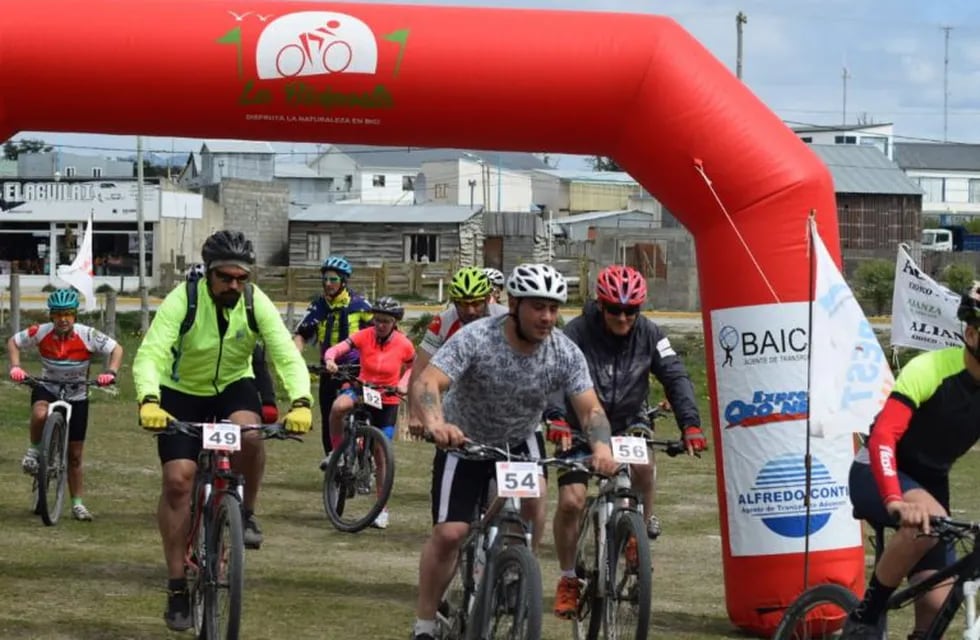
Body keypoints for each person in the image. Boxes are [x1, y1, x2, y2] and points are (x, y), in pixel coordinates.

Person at [407, 263, 620, 640]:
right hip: (465, 441)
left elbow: (590, 409)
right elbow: (429, 381)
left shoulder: (563, 352)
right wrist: (437, 422)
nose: (547, 317)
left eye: (554, 308)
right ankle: (425, 623)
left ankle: (517, 570)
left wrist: (601, 444)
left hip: (520, 440)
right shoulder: (477, 337)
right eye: (538, 307)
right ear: (514, 304)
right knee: (451, 533)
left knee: (535, 501)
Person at [133, 230, 313, 632]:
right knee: (178, 481)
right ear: (209, 273)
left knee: (250, 435)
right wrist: (148, 399)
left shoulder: (254, 302)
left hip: (233, 386)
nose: (234, 285)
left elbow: (285, 355)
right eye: (225, 277)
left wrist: (301, 401)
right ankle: (178, 584)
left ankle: (245, 513)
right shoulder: (184, 300)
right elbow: (151, 353)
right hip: (180, 391)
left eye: (241, 278)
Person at [547, 264, 706, 618]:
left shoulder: (651, 334)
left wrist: (690, 425)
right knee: (572, 502)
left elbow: (676, 377)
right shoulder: (576, 332)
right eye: (615, 310)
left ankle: (637, 533)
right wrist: (556, 417)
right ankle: (569, 578)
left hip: (628, 420)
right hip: (578, 423)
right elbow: (557, 375)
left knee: (644, 466)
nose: (623, 318)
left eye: (631, 310)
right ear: (600, 306)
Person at [840, 282, 980, 639]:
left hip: (932, 484)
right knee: (926, 521)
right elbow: (884, 437)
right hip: (877, 470)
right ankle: (866, 615)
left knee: (935, 616)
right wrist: (895, 500)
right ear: (971, 333)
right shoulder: (931, 369)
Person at [6, 288, 123, 522]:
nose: (63, 319)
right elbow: (13, 342)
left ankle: (77, 504)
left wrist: (110, 372)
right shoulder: (41, 332)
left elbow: (116, 349)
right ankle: (34, 450)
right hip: (48, 386)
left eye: (68, 314)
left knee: (75, 455)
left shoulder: (87, 334)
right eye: (58, 314)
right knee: (40, 413)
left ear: (75, 315)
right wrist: (16, 367)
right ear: (51, 316)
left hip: (77, 393)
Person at [323, 296, 415, 529]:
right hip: (362, 390)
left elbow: (415, 365)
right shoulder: (364, 336)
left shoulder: (404, 343)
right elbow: (338, 348)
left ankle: (381, 509)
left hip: (388, 397)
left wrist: (404, 382)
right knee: (337, 408)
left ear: (395, 322)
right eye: (377, 320)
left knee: (381, 454)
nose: (380, 325)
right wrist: (330, 359)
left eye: (386, 321)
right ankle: (338, 453)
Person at [293, 255, 373, 463]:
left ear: (344, 281)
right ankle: (333, 457)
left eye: (333, 279)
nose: (328, 284)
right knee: (329, 415)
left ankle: (369, 452)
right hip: (328, 368)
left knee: (368, 411)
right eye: (325, 279)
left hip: (357, 368)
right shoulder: (318, 307)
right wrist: (295, 358)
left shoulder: (360, 305)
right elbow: (301, 334)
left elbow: (380, 332)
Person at [186, 264, 279, 423]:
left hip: (234, 384)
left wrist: (268, 402)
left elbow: (260, 367)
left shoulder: (245, 308)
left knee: (249, 433)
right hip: (190, 386)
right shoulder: (186, 308)